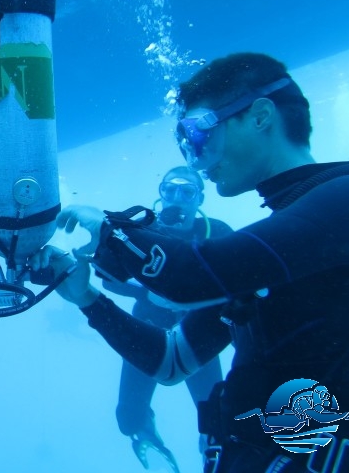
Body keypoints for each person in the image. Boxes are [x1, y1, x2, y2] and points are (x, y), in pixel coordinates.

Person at [37, 53, 349, 472]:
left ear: (261, 116)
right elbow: (171, 360)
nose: (196, 158)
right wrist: (86, 297)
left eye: (197, 134)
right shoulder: (281, 244)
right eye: (184, 145)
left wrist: (109, 228)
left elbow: (187, 277)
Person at [107, 166, 231, 472]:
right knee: (129, 414)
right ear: (160, 193)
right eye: (170, 190)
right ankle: (145, 435)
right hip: (147, 327)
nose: (178, 198)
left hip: (198, 333)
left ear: (199, 198)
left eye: (187, 192)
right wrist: (147, 294)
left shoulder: (217, 233)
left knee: (217, 413)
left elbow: (240, 278)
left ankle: (215, 447)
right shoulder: (140, 231)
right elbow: (109, 278)